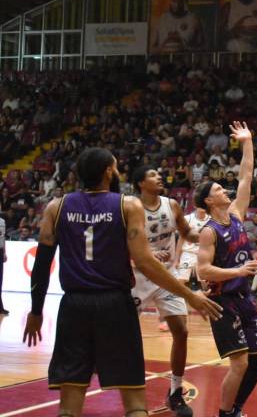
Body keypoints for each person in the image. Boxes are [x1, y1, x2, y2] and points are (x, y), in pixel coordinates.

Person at [23, 147, 221, 417]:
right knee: (135, 403)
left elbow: (42, 264)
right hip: (115, 304)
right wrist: (190, 295)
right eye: (115, 167)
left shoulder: (55, 207)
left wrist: (36, 311)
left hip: (74, 306)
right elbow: (145, 263)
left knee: (68, 406)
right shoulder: (127, 205)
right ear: (108, 172)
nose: (118, 171)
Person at [195, 122, 257, 417]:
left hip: (244, 298)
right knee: (239, 363)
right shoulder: (209, 231)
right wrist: (238, 272)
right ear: (209, 200)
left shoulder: (236, 214)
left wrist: (247, 142)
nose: (224, 190)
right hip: (222, 302)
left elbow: (246, 176)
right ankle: (225, 414)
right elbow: (203, 271)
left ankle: (235, 409)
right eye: (217, 189)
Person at [131, 166, 203, 416]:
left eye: (159, 174)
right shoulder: (131, 207)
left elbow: (187, 232)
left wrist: (206, 234)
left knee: (181, 331)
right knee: (124, 334)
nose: (159, 177)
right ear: (140, 183)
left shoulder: (171, 205)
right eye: (152, 175)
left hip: (166, 277)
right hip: (138, 277)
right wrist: (147, 253)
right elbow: (122, 242)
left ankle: (175, 392)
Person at [175, 206, 211, 289]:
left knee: (205, 282)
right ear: (195, 205)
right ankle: (179, 297)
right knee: (180, 280)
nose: (202, 206)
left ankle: (207, 296)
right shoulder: (187, 219)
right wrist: (176, 260)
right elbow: (180, 240)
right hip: (187, 253)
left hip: (203, 254)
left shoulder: (211, 220)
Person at [0, 215, 6, 315]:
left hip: (0, 251)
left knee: (0, 279)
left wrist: (4, 252)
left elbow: (3, 238)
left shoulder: (2, 221)